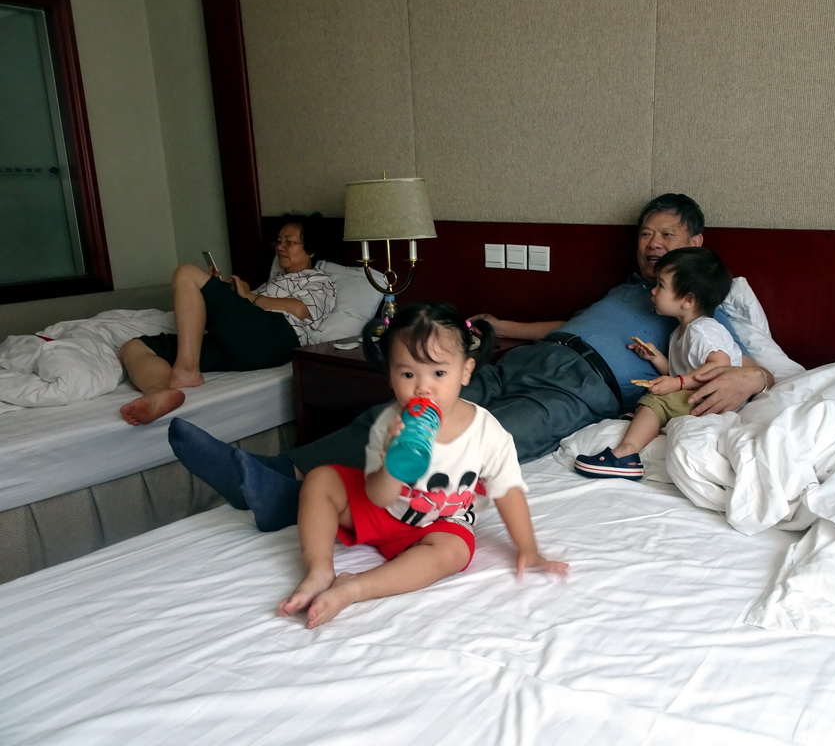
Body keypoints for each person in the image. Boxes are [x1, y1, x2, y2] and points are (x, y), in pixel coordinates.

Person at [167, 193, 776, 530]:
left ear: (696, 243)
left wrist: (755, 375)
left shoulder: (709, 300)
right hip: (539, 354)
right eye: (645, 233)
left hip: (582, 390)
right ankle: (277, 475)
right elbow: (570, 325)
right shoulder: (629, 290)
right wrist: (501, 324)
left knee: (482, 438)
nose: (651, 244)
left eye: (665, 235)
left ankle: (313, 500)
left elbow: (747, 362)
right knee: (410, 408)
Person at [275, 302, 567, 629]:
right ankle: (318, 570)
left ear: (465, 371)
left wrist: (528, 548)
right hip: (388, 511)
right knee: (320, 479)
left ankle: (354, 588)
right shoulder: (389, 422)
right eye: (407, 373)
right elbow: (379, 497)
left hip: (439, 524)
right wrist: (389, 460)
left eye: (439, 373)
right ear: (390, 375)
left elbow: (507, 491)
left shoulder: (487, 431)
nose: (422, 387)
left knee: (455, 551)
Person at [118, 219, 336, 425]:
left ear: (312, 250)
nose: (280, 247)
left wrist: (249, 297)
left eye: (289, 242)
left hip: (277, 337)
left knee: (186, 273)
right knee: (134, 347)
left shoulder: (319, 280)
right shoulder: (273, 282)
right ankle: (158, 394)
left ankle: (187, 369)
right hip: (242, 346)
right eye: (278, 241)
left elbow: (300, 309)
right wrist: (224, 292)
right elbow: (244, 311)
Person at [574, 247, 742, 480]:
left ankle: (626, 455)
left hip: (715, 400)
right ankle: (647, 424)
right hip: (698, 393)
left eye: (661, 285)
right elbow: (680, 373)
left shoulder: (704, 330)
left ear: (688, 300)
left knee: (657, 400)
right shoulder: (680, 332)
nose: (653, 291)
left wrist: (676, 383)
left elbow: (719, 367)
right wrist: (656, 358)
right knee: (657, 396)